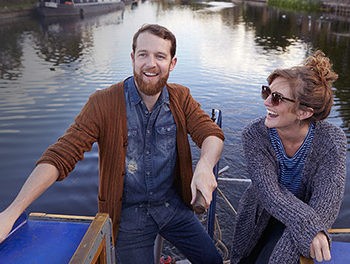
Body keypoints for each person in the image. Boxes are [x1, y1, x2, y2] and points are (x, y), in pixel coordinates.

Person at [0, 24, 224, 264]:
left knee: (213, 260)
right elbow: (61, 155)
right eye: (143, 55)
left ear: (172, 63)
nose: (151, 63)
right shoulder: (102, 103)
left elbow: (211, 133)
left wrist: (204, 164)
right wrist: (12, 213)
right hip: (128, 218)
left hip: (174, 208)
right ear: (132, 58)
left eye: (160, 56)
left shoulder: (181, 98)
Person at [230, 50, 347, 264]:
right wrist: (308, 226)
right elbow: (269, 193)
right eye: (267, 92)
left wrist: (300, 238)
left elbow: (327, 202)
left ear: (304, 112)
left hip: (310, 213)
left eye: (277, 98)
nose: (266, 102)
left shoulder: (332, 141)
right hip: (261, 214)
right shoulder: (255, 134)